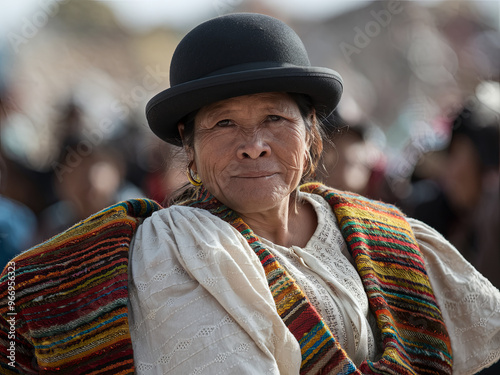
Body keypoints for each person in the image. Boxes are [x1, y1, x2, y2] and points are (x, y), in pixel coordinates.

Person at [0, 13, 499, 375]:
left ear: (311, 139)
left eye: (276, 119)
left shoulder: (383, 231)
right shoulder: (174, 250)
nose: (254, 146)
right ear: (189, 152)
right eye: (223, 123)